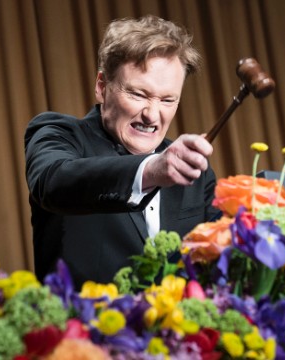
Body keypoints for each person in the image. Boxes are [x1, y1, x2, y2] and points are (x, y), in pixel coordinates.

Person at [24, 15, 220, 289]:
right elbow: (52, 181)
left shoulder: (193, 170)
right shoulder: (59, 133)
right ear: (102, 87)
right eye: (139, 94)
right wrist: (150, 170)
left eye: (167, 100)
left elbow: (221, 257)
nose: (152, 115)